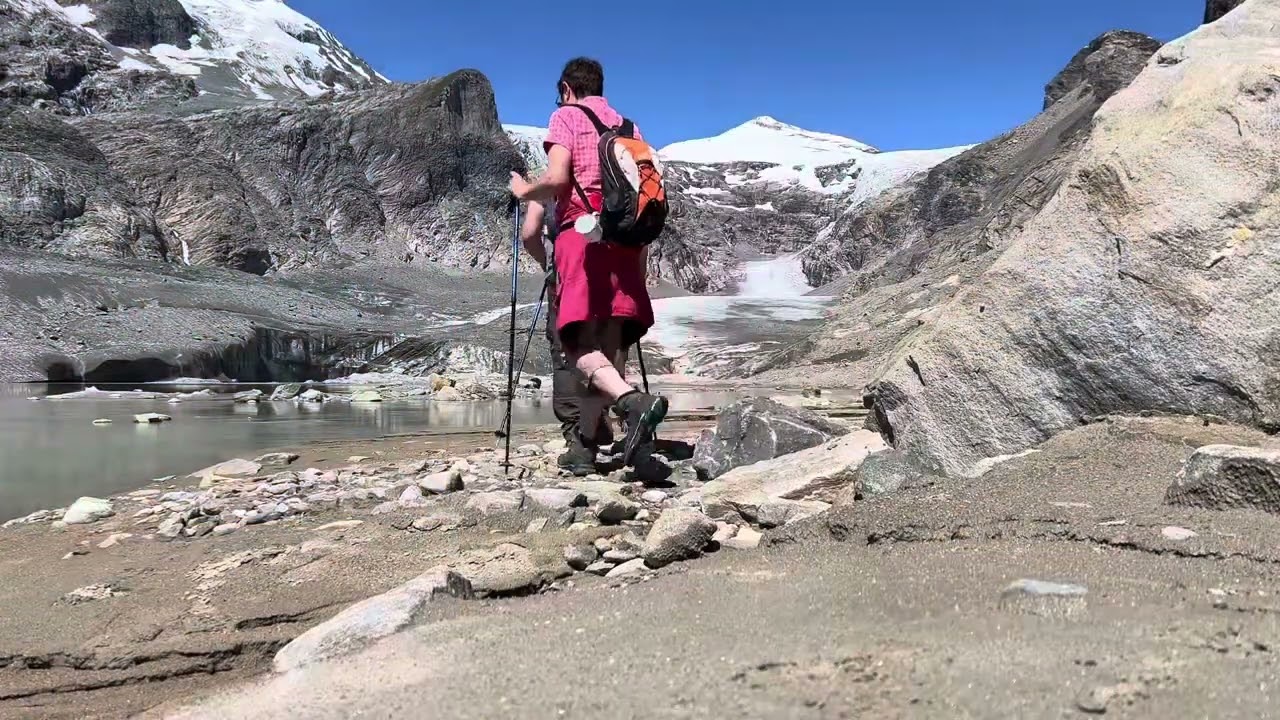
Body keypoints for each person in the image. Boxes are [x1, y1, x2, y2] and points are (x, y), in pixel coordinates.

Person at [509, 56, 667, 467]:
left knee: (576, 342)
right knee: (610, 346)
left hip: (582, 240)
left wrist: (523, 191)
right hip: (627, 244)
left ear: (566, 88)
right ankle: (589, 445)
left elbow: (558, 180)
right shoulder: (630, 129)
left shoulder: (566, 117)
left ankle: (632, 403)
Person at [519, 198, 614, 475]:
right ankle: (606, 420)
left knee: (567, 354)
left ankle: (580, 444)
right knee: (607, 350)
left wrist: (549, 263)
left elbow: (529, 234)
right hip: (611, 275)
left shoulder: (552, 182)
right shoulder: (612, 175)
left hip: (567, 276)